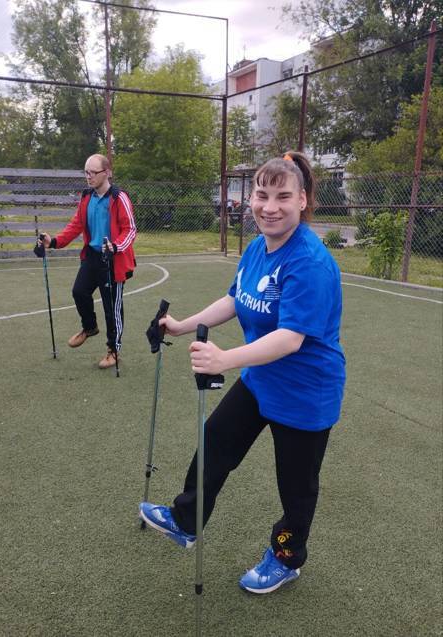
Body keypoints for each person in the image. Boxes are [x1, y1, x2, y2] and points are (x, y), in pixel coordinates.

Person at [139, 151, 346, 594]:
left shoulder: (309, 261)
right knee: (214, 444)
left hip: (306, 393)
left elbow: (291, 339)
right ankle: (186, 520)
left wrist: (224, 359)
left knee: (296, 488)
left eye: (283, 196)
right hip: (261, 379)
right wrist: (183, 324)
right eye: (261, 194)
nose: (269, 207)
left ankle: (287, 558)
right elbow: (235, 300)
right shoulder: (257, 248)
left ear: (303, 200)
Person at [39, 154, 136, 369]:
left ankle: (113, 350)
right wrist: (54, 241)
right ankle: (90, 327)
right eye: (86, 172)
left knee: (112, 309)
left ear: (107, 172)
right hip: (92, 257)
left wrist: (116, 246)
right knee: (79, 292)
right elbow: (76, 225)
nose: (89, 177)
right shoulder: (86, 197)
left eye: (93, 172)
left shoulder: (119, 198)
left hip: (113, 260)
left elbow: (130, 230)